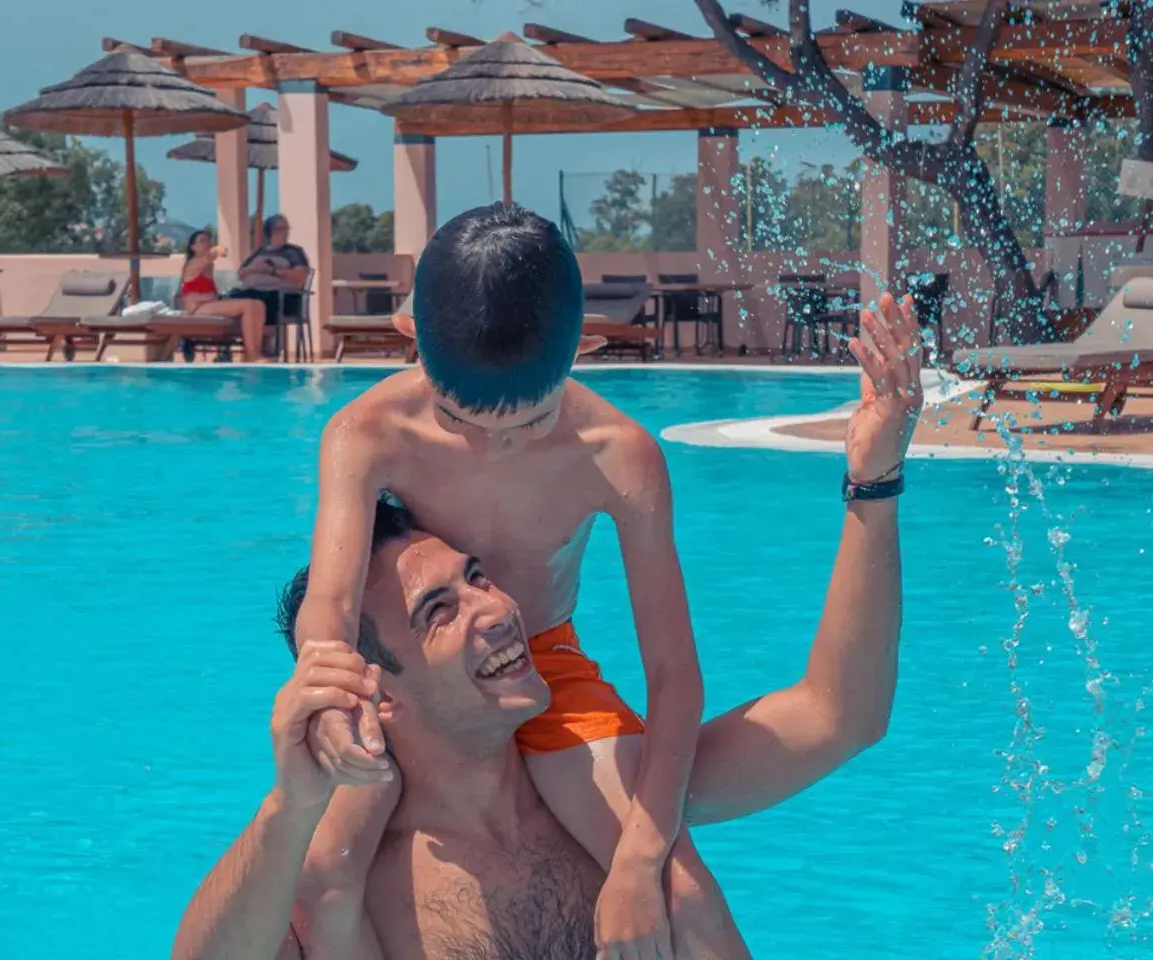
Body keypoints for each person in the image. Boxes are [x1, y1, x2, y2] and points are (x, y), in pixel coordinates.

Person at [290, 203, 923, 956]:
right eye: (462, 422)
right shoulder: (366, 431)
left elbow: (674, 676)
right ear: (412, 348)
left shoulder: (616, 452)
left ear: (585, 352)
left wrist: (640, 858)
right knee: (319, 871)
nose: (497, 445)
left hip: (544, 660)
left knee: (683, 895)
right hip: (420, 688)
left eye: (529, 424)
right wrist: (327, 693)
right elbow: (329, 605)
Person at [178, 229, 267, 363]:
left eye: (208, 240)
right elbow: (210, 256)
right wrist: (216, 251)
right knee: (248, 306)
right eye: (202, 241)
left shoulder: (209, 265)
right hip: (197, 309)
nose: (207, 243)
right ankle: (253, 355)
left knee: (258, 305)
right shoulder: (192, 264)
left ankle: (254, 353)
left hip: (209, 304)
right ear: (193, 247)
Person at [230, 214, 310, 352]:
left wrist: (271, 270)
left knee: (254, 305)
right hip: (252, 293)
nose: (285, 232)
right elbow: (241, 274)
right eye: (281, 229)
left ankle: (260, 349)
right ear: (271, 231)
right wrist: (255, 268)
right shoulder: (259, 252)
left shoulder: (294, 252)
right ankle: (232, 346)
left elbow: (300, 277)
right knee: (231, 300)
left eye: (286, 229)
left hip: (282, 298)